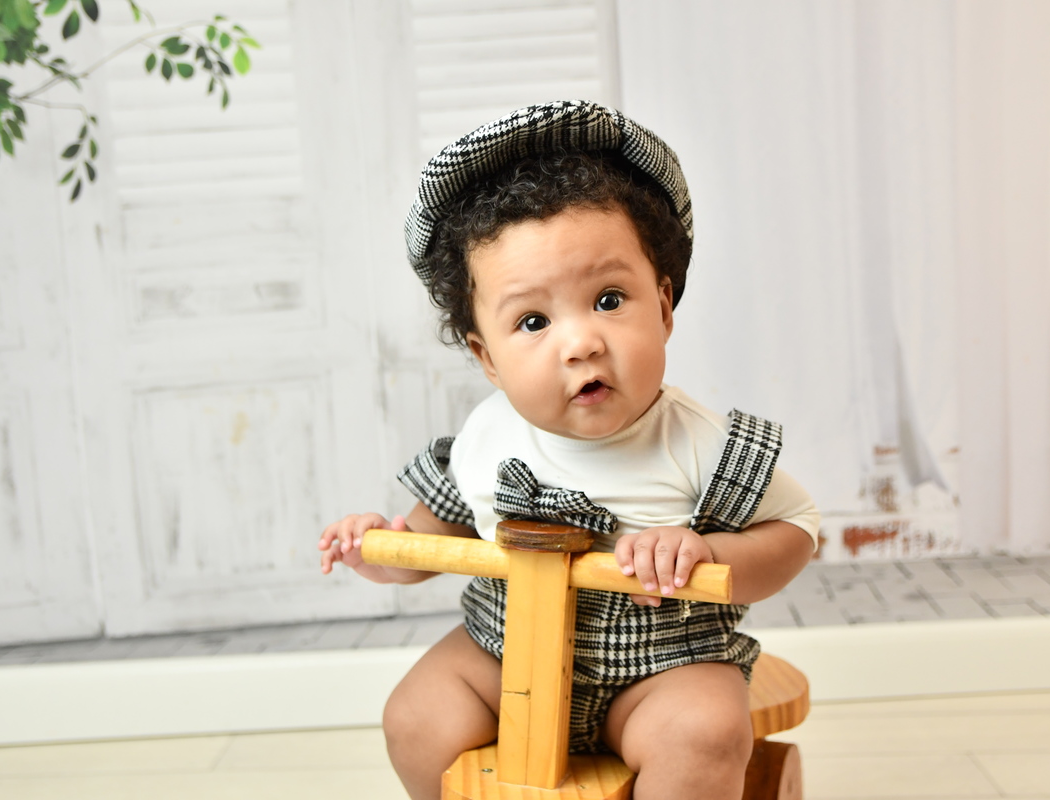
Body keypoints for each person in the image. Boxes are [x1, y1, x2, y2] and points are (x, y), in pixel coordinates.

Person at [317, 101, 820, 800]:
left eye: (609, 300)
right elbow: (431, 542)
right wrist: (379, 548)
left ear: (664, 307)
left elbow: (796, 530)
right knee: (414, 716)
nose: (581, 342)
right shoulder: (486, 440)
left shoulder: (701, 443)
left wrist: (708, 552)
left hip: (662, 665)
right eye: (533, 321)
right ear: (487, 358)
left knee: (705, 731)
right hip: (505, 653)